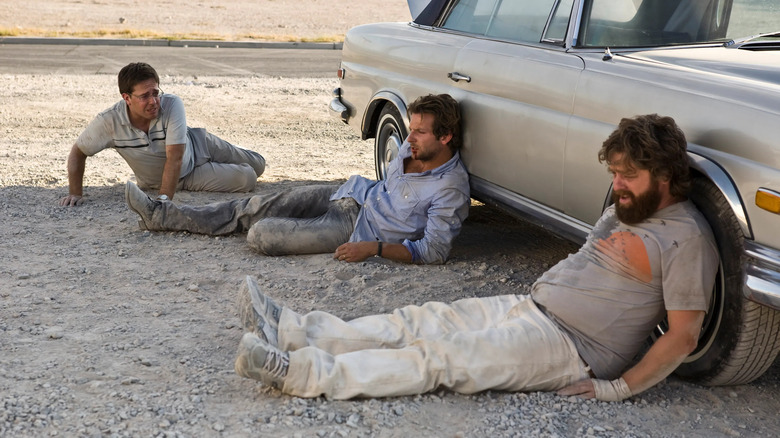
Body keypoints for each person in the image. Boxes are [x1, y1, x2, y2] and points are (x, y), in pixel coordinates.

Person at [232, 113, 720, 401]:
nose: (617, 186)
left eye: (627, 176)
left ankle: (301, 374)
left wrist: (619, 389)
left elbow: (683, 335)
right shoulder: (629, 205)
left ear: (663, 174)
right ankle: (294, 331)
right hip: (530, 306)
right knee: (415, 321)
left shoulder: (686, 239)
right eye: (614, 173)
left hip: (571, 348)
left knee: (442, 359)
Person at [124, 93, 470, 265]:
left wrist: (374, 248)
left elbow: (434, 251)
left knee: (262, 234)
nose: (409, 140)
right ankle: (160, 215)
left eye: (420, 133)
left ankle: (236, 223)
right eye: (412, 130)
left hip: (357, 230)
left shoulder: (451, 188)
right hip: (349, 195)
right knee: (252, 205)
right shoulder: (413, 149)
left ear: (445, 137)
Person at [59, 62, 266, 206]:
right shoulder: (109, 121)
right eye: (144, 96)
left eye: (156, 93)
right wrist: (75, 193)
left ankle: (230, 159)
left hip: (197, 143)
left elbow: (175, 156)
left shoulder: (172, 103)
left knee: (258, 164)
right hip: (185, 176)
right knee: (246, 177)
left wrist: (163, 200)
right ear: (127, 98)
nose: (153, 101)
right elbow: (78, 152)